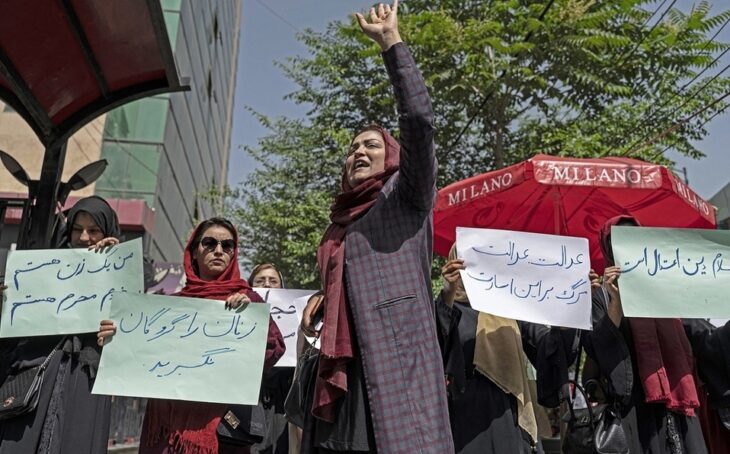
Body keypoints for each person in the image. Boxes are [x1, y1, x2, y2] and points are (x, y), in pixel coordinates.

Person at [299, 2, 453, 452]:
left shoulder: (404, 198)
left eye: (370, 146)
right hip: (342, 377)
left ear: (392, 157)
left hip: (396, 368)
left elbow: (419, 124)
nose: (358, 153)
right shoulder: (336, 229)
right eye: (351, 150)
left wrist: (391, 44)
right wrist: (322, 300)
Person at [97, 217, 286, 454]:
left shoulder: (247, 301)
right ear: (194, 252)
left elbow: (274, 350)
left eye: (227, 246)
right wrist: (115, 336)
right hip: (166, 429)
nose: (219, 251)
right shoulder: (168, 306)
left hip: (222, 431)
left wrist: (251, 322)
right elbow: (136, 353)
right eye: (209, 243)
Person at [0, 195, 121, 454]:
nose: (85, 238)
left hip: (85, 382)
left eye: (94, 230)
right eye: (77, 229)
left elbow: (132, 332)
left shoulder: (121, 273)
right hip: (37, 376)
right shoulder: (41, 270)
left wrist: (114, 264)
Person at [579, 215, 709, 453]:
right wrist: (616, 301)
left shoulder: (666, 292)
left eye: (636, 237)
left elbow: (704, 338)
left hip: (680, 410)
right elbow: (599, 347)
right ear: (610, 247)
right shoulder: (602, 295)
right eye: (622, 239)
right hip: (635, 414)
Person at [435, 246, 543, 453]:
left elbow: (547, 348)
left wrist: (564, 316)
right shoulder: (447, 308)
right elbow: (436, 348)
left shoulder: (511, 306)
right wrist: (448, 292)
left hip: (508, 415)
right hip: (466, 420)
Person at [248, 264, 290, 454]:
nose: (267, 284)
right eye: (260, 280)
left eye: (273, 281)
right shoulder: (241, 306)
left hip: (281, 395)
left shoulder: (296, 313)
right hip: (249, 393)